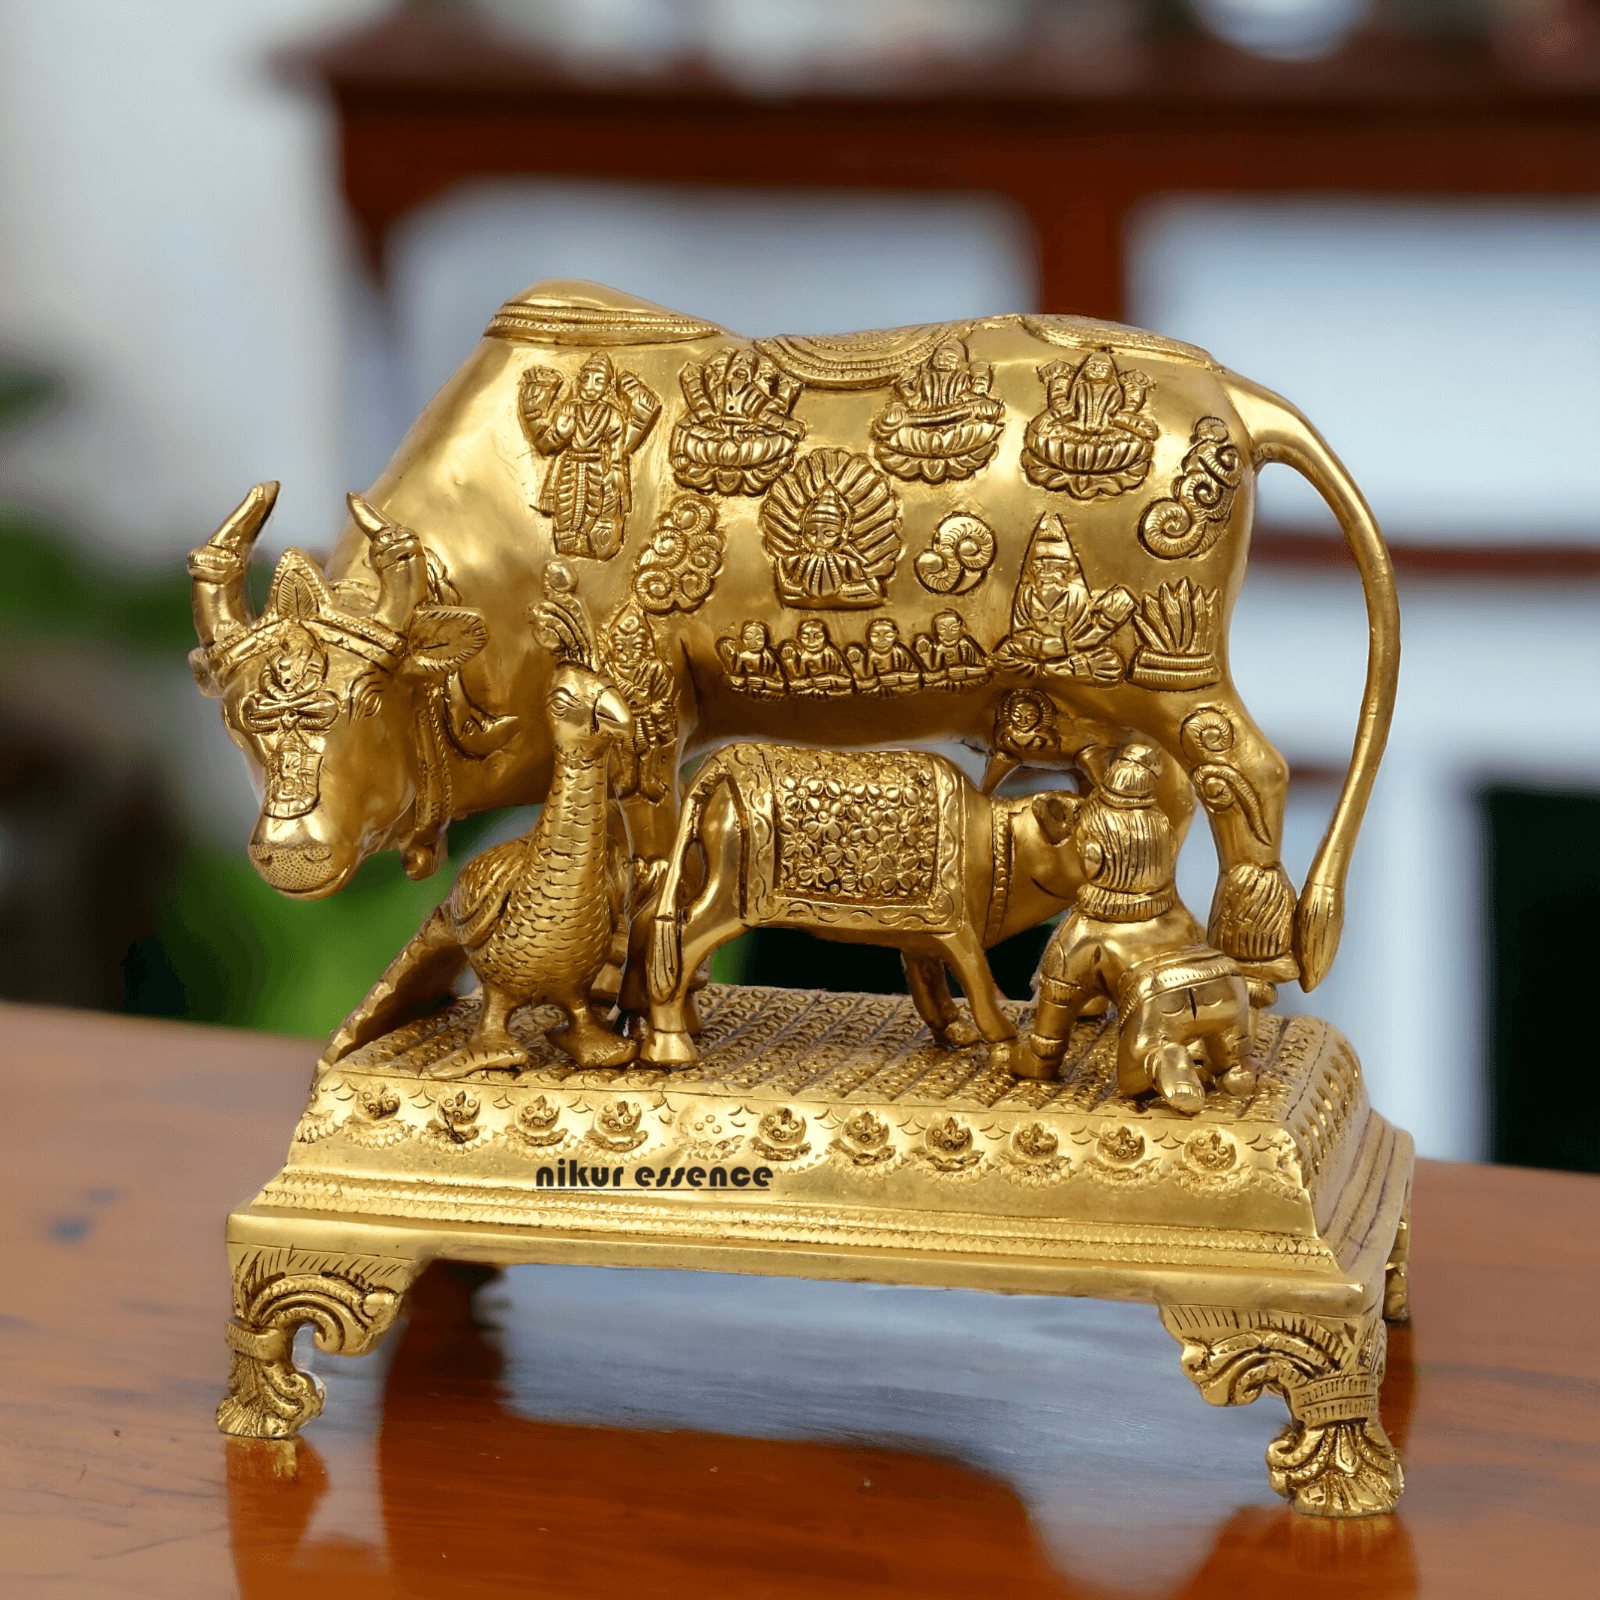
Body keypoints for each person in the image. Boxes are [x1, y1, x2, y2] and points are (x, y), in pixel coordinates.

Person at [523, 354, 661, 559]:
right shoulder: (568, 409)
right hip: (569, 469)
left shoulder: (612, 413)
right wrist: (555, 429)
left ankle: (592, 548)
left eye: (598, 381)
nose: (590, 386)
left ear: (607, 387)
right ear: (578, 382)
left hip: (598, 470)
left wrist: (615, 470)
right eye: (586, 379)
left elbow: (617, 445)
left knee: (595, 517)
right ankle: (567, 548)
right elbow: (547, 444)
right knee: (566, 516)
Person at [914, 609, 989, 690]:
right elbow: (934, 670)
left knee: (982, 678)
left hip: (965, 680)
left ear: (961, 629)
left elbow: (984, 669)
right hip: (944, 681)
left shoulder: (965, 645)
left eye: (954, 628)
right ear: (935, 632)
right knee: (926, 681)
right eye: (942, 629)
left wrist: (965, 672)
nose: (948, 633)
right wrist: (927, 660)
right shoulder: (939, 648)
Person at [846, 617, 922, 695]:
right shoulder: (870, 655)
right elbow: (865, 681)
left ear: (896, 636)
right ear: (868, 638)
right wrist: (858, 668)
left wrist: (898, 678)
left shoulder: (900, 652)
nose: (881, 640)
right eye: (875, 635)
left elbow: (917, 676)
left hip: (901, 688)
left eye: (889, 635)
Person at [780, 619, 853, 697]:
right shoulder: (799, 655)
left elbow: (849, 681)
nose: (811, 641)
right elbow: (792, 683)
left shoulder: (832, 654)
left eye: (818, 636)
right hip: (807, 691)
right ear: (799, 638)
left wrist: (832, 680)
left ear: (826, 638)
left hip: (828, 691)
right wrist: (789, 663)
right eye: (805, 637)